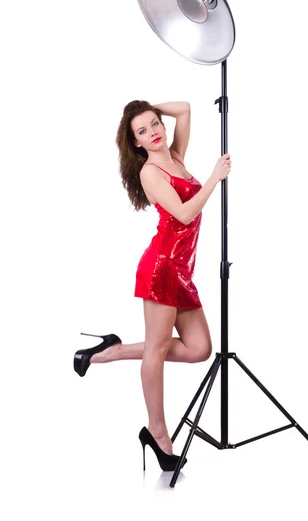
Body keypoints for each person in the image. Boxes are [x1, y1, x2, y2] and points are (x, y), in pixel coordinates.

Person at [73, 100, 231, 471]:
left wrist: (140, 107)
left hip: (182, 272)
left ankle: (109, 351)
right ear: (137, 143)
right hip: (161, 269)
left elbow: (186, 109)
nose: (153, 132)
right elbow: (185, 212)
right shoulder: (151, 172)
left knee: (200, 349)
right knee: (157, 351)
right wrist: (214, 178)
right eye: (142, 131)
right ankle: (158, 434)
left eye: (154, 124)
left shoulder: (174, 156)